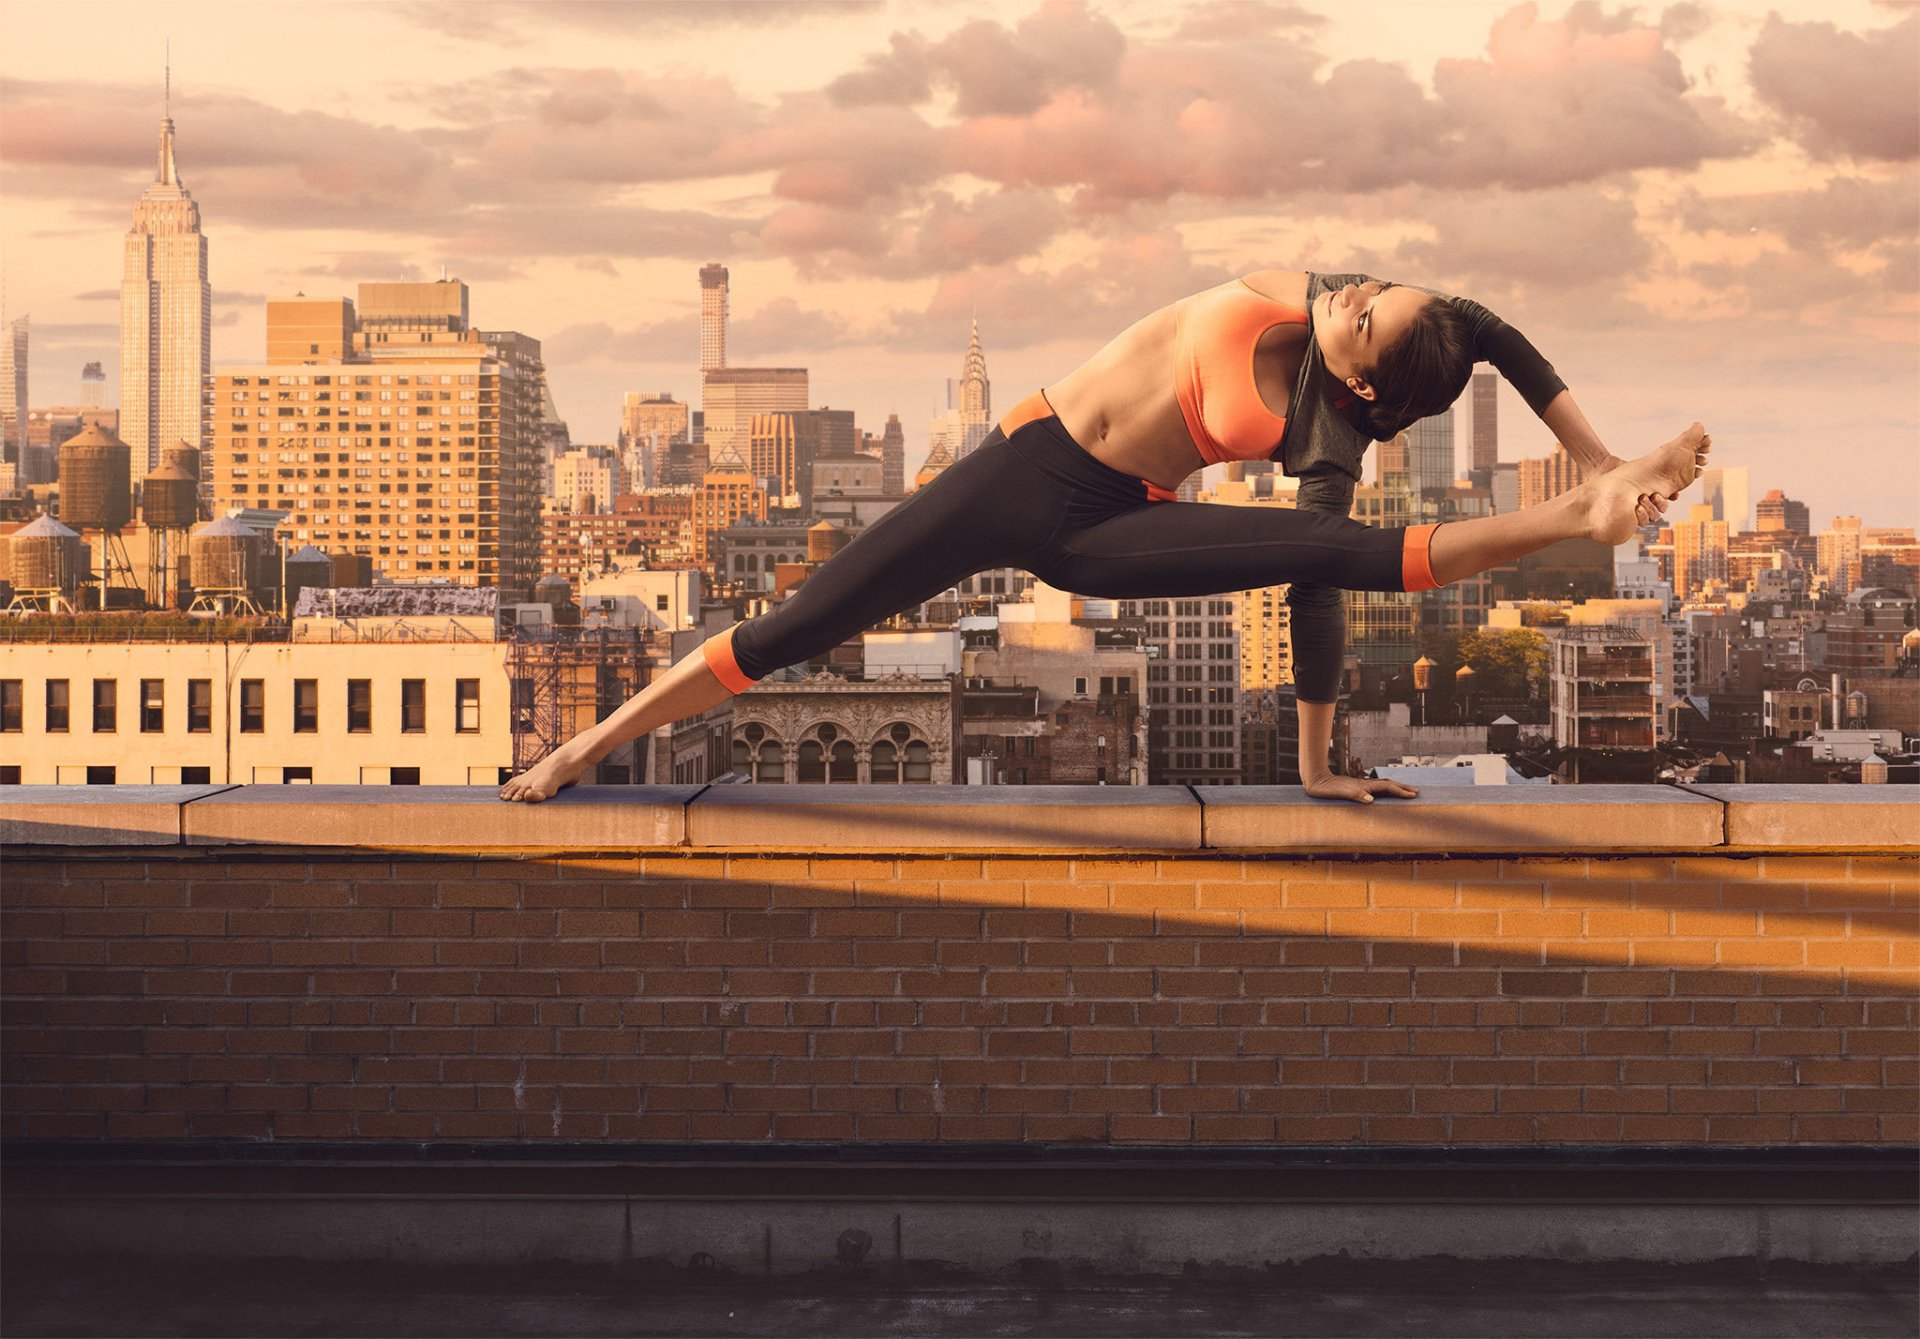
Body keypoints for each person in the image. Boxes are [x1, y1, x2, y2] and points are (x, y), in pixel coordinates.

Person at [501, 268, 1709, 804]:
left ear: (1367, 383)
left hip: (1110, 530)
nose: (1351, 297)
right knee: (803, 624)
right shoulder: (1325, 299)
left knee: (1329, 548)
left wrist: (1312, 759)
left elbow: (1316, 595)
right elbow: (1491, 326)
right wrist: (1598, 444)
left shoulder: (1333, 433)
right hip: (1020, 471)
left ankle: (1572, 521)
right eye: (1367, 294)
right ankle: (585, 750)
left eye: (1365, 320)